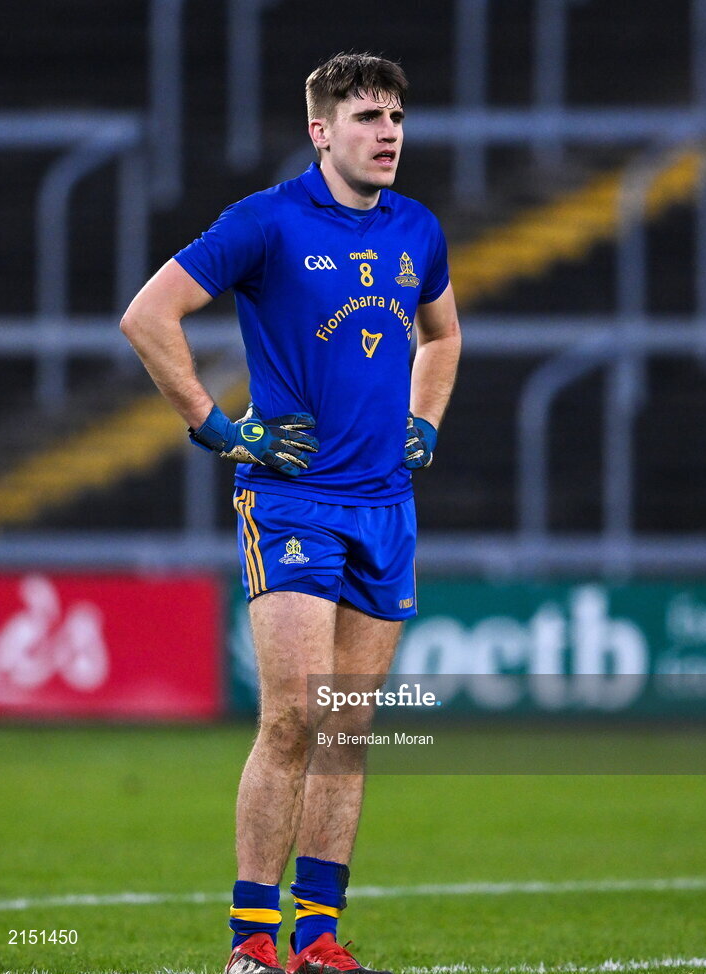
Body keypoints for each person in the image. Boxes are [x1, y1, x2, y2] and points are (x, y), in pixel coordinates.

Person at [120, 51, 461, 974]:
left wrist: (424, 421)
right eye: (367, 117)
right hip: (294, 499)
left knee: (349, 724)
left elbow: (445, 331)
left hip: (385, 507)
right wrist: (218, 428)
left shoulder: (416, 229)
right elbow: (149, 314)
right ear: (321, 131)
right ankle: (252, 943)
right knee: (295, 717)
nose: (388, 133)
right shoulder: (266, 222)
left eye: (395, 115)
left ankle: (317, 938)